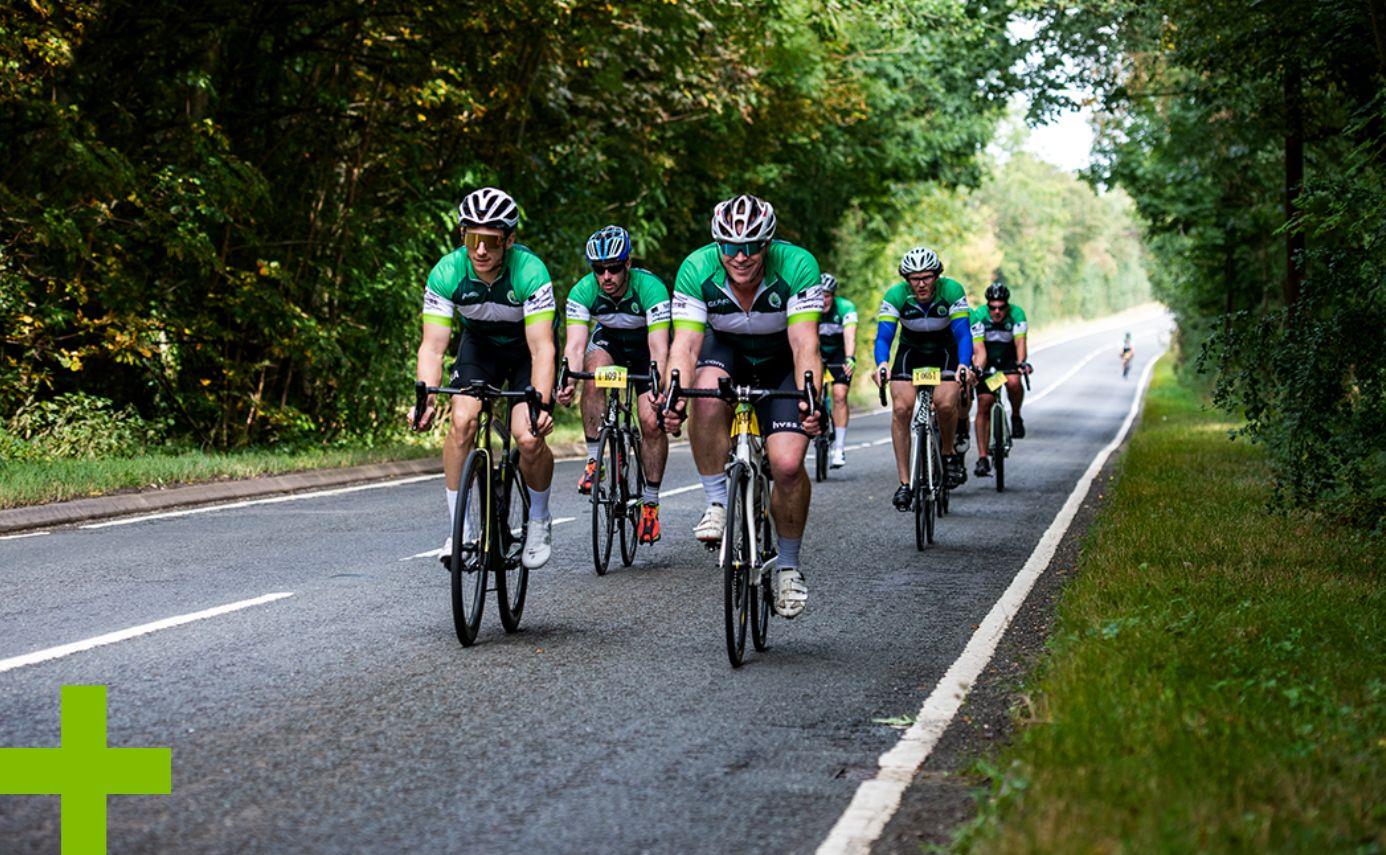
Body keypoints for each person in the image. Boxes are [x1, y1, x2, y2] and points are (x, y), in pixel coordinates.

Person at [660, 194, 823, 618]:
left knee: (786, 465)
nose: (742, 256)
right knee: (707, 390)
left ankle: (788, 567)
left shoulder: (797, 265)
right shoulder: (697, 269)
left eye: (752, 245)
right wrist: (673, 396)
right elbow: (687, 345)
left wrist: (811, 399)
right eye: (731, 246)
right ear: (718, 245)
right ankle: (717, 500)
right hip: (726, 354)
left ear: (768, 243)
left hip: (780, 365)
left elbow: (806, 344)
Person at [410, 187, 558, 569]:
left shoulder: (530, 271)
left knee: (527, 437)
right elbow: (432, 347)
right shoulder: (447, 272)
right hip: (480, 348)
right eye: (472, 239)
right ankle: (458, 529)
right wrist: (425, 398)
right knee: (462, 421)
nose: (480, 251)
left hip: (526, 351)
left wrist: (541, 402)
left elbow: (543, 349)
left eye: (491, 241)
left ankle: (539, 518)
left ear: (509, 240)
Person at [557, 225, 671, 544]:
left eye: (614, 268)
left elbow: (661, 348)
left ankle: (650, 503)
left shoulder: (651, 289)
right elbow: (576, 347)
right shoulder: (582, 292)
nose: (606, 276)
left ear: (628, 264)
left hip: (645, 348)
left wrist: (659, 387)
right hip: (610, 343)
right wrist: (566, 379)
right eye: (598, 269)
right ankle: (596, 460)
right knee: (592, 377)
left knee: (650, 421)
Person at [872, 246, 975, 508]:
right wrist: (882, 363)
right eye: (915, 279)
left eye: (927, 277)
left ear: (937, 275)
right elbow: (884, 336)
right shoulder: (896, 295)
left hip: (945, 352)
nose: (921, 284)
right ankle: (905, 483)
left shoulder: (951, 290)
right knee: (902, 409)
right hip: (911, 353)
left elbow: (963, 334)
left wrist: (964, 364)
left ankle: (949, 452)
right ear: (907, 279)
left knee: (944, 403)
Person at [970, 283, 1031, 478]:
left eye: (1001, 307)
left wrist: (1021, 363)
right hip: (986, 363)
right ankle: (982, 457)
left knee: (1013, 382)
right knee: (984, 404)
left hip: (1007, 360)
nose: (997, 311)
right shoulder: (979, 315)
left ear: (1007, 306)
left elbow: (1020, 342)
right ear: (988, 306)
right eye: (993, 307)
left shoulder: (1017, 314)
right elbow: (976, 346)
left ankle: (1016, 416)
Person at [817, 273, 858, 468]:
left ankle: (839, 448)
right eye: (820, 295)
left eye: (827, 296)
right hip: (815, 353)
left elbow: (850, 336)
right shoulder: (808, 307)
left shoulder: (845, 308)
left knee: (839, 395)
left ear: (833, 296)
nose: (823, 300)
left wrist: (850, 358)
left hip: (838, 354)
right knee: (812, 392)